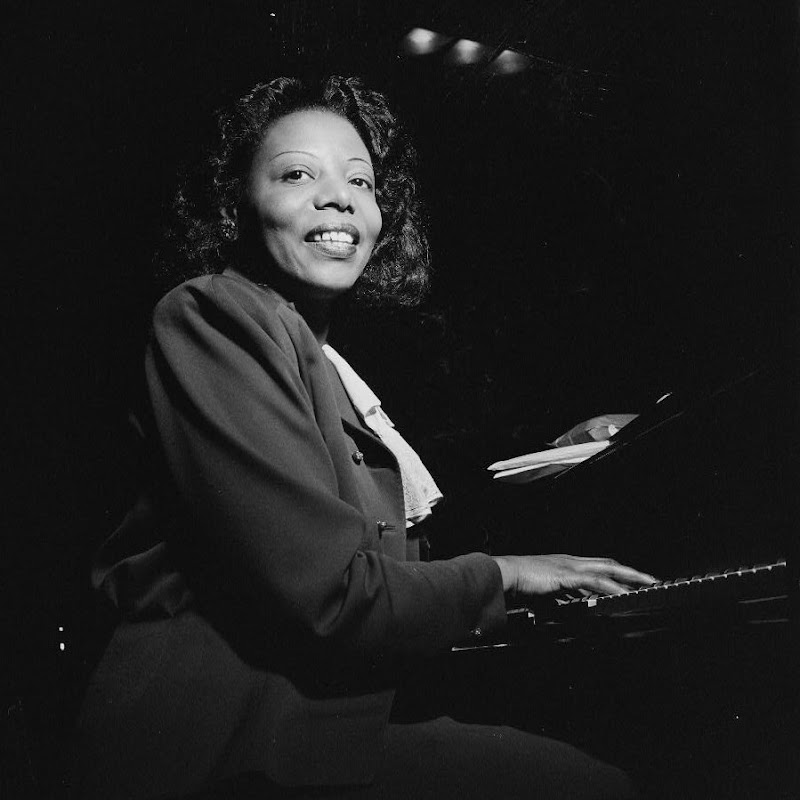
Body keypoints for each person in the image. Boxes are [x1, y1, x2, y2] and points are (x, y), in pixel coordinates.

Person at [66, 75, 655, 800]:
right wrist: (507, 573)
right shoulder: (213, 315)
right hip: (223, 750)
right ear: (237, 205)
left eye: (360, 181)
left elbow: (390, 566)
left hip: (313, 736)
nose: (338, 198)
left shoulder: (325, 362)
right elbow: (331, 594)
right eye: (296, 174)